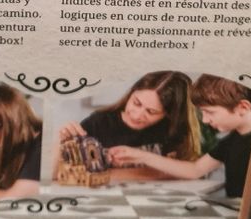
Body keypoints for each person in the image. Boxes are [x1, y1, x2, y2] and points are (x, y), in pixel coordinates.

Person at [108, 74, 251, 197]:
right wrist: (140, 156)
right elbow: (195, 170)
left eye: (210, 112)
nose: (205, 120)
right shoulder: (233, 139)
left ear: (242, 107)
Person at [58, 70, 201, 181]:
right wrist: (61, 142)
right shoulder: (99, 122)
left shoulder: (171, 129)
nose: (137, 115)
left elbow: (185, 172)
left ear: (169, 115)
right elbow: (65, 173)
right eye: (136, 103)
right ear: (131, 93)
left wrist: (143, 159)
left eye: (151, 112)